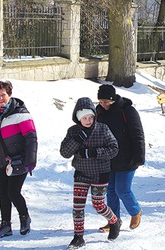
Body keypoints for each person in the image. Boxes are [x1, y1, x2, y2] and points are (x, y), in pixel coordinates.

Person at [0, 80, 37, 238]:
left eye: (3, 95)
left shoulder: (21, 114)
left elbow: (31, 138)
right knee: (3, 194)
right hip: (1, 161)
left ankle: (24, 218)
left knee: (13, 192)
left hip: (19, 160)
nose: (0, 98)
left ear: (10, 94)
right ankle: (6, 225)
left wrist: (30, 160)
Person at [60, 97, 120, 248]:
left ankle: (114, 220)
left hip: (100, 173)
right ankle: (78, 237)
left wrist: (95, 152)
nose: (88, 121)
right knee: (78, 206)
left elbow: (114, 148)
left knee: (98, 204)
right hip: (81, 173)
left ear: (94, 116)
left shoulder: (103, 129)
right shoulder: (73, 131)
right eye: (84, 118)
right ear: (78, 118)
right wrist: (77, 140)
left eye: (90, 117)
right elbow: (65, 153)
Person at [96, 84, 145, 232]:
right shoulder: (99, 112)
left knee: (122, 189)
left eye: (106, 102)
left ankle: (135, 211)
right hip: (108, 159)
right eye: (101, 101)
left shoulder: (127, 111)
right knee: (110, 191)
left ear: (112, 99)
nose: (103, 105)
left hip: (127, 157)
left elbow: (138, 134)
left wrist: (139, 157)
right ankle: (113, 221)